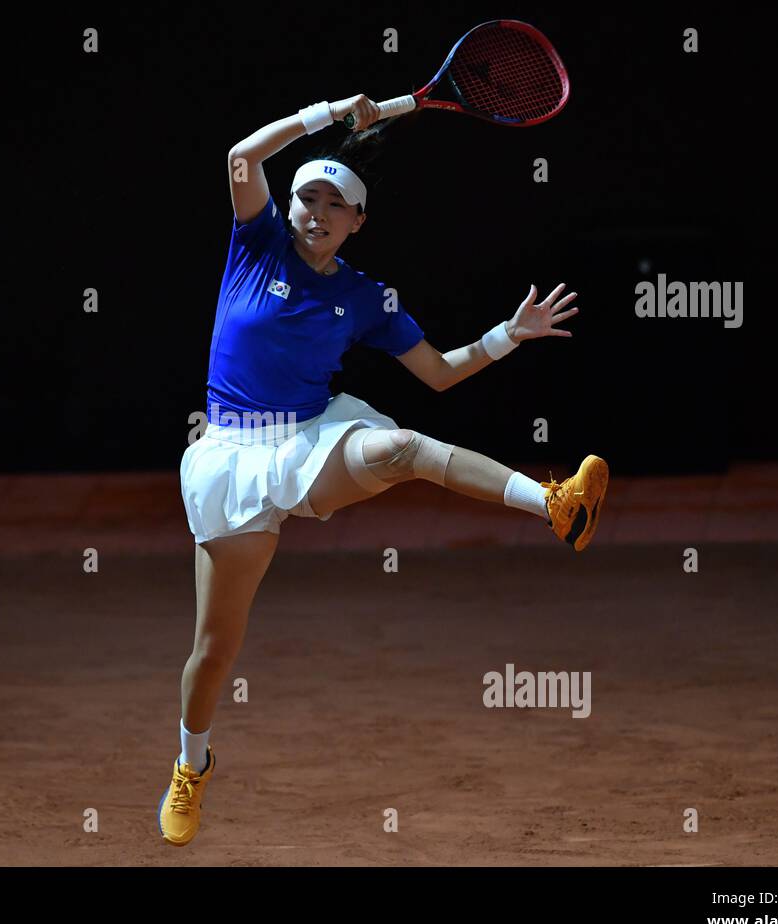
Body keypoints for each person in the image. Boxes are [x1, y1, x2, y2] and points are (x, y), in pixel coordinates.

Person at [159, 94, 609, 846]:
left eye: (336, 204)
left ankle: (555, 504)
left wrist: (507, 334)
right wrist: (328, 111)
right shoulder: (256, 245)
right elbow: (242, 156)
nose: (317, 212)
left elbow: (437, 374)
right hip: (230, 460)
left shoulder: (365, 297)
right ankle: (191, 764)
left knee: (400, 448)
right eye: (308, 197)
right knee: (215, 651)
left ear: (358, 221)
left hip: (309, 440)